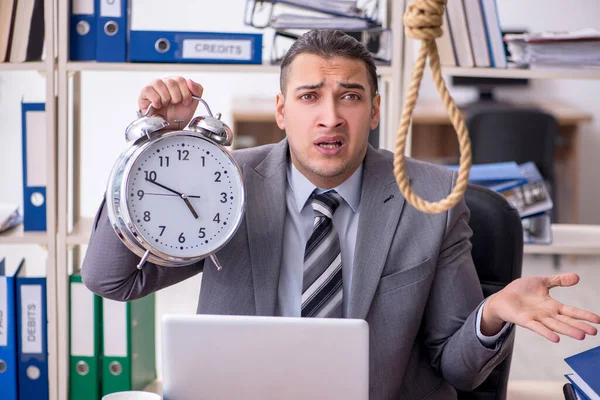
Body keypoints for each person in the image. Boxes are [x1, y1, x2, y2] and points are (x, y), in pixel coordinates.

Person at [82, 29, 600, 399]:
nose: (330, 117)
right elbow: (110, 279)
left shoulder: (431, 198)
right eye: (310, 96)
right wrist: (152, 146)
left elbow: (457, 369)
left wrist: (492, 313)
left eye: (349, 96)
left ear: (374, 111)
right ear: (282, 110)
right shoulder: (225, 183)